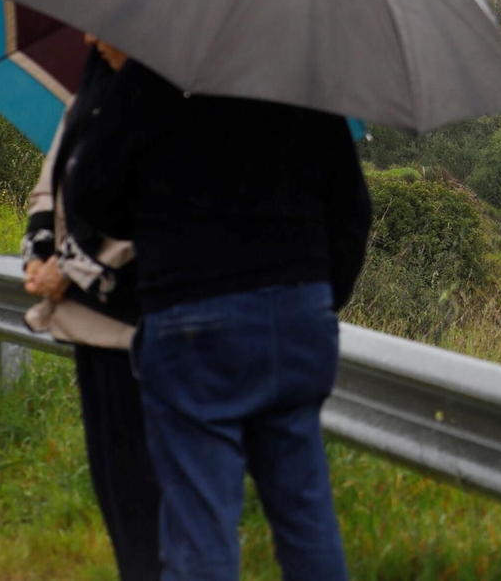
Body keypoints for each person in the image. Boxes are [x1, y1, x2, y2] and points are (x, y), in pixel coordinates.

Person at [65, 57, 372, 581]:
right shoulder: (302, 80)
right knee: (306, 517)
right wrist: (320, 297)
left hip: (194, 316)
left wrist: (153, 222)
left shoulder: (154, 72)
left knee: (200, 524)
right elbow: (352, 211)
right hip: (298, 316)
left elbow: (89, 194)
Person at [22, 34, 160, 580]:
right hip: (83, 317)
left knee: (144, 482)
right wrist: (38, 251)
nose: (88, 36)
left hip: (136, 319)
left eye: (104, 27)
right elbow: (53, 175)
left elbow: (144, 203)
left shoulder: (165, 94)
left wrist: (69, 266)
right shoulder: (96, 82)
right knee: (113, 479)